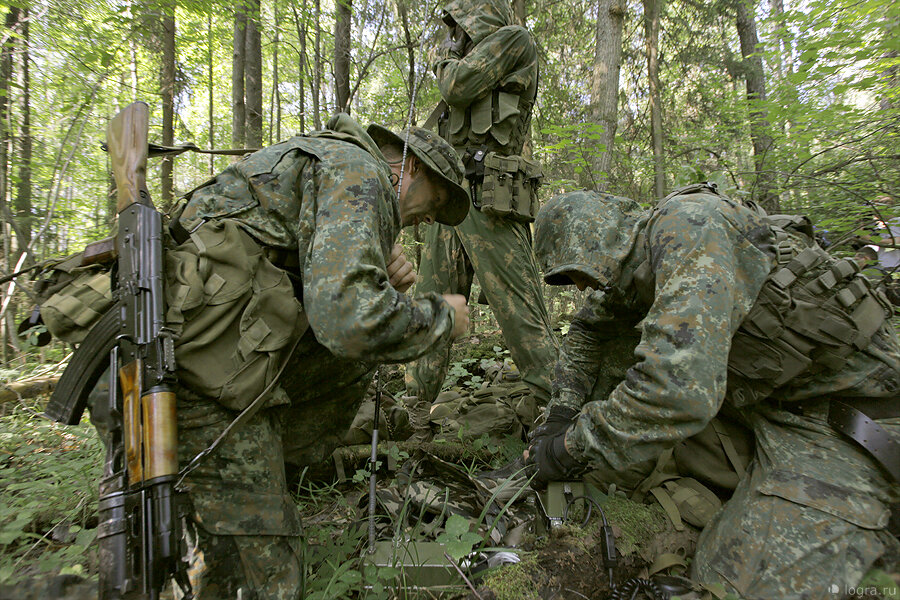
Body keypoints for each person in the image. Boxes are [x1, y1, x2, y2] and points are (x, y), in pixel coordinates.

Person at [525, 184, 900, 599]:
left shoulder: (689, 226)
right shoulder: (633, 268)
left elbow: (675, 391)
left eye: (576, 274)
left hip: (847, 414)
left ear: (596, 241)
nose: (579, 288)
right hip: (763, 402)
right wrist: (561, 412)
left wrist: (567, 449)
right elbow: (585, 333)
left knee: (724, 580)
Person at [165, 114, 471, 598]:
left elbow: (295, 296)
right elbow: (349, 322)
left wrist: (376, 286)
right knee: (266, 580)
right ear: (409, 168)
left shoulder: (322, 161)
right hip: (192, 382)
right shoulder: (361, 172)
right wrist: (441, 317)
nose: (428, 220)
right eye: (433, 203)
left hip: (195, 364)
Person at [403, 0, 558, 441]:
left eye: (458, 25)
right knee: (432, 306)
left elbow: (456, 86)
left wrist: (445, 56)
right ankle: (414, 413)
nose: (453, 35)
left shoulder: (514, 42)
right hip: (449, 201)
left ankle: (561, 415)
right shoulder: (471, 53)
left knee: (521, 316)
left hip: (492, 202)